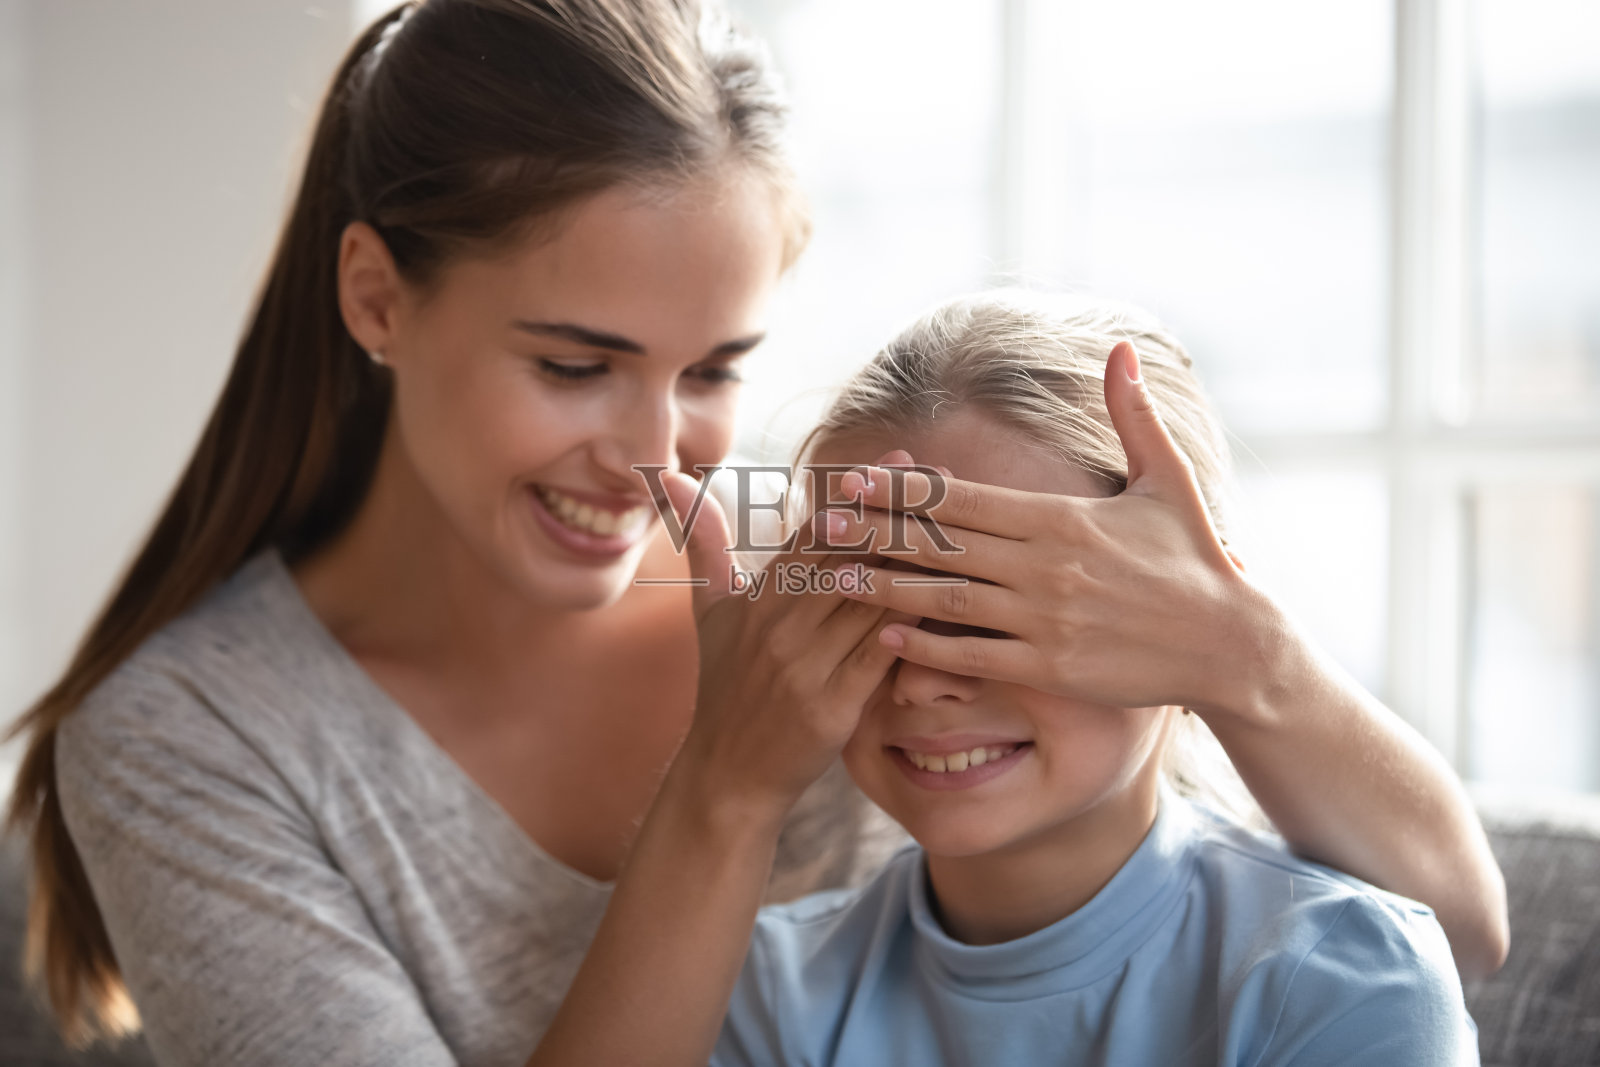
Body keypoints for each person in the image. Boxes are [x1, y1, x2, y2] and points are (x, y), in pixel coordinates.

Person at [1, 2, 1503, 1065]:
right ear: (377, 296)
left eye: (716, 369)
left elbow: (1429, 939)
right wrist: (724, 786)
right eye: (573, 364)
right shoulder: (190, 739)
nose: (657, 454)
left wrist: (1242, 651)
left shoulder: (860, 574)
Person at [695, 291, 1478, 1064]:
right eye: (865, 604)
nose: (921, 682)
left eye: (1012, 605)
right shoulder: (759, 991)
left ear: (1193, 614)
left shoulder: (1340, 985)